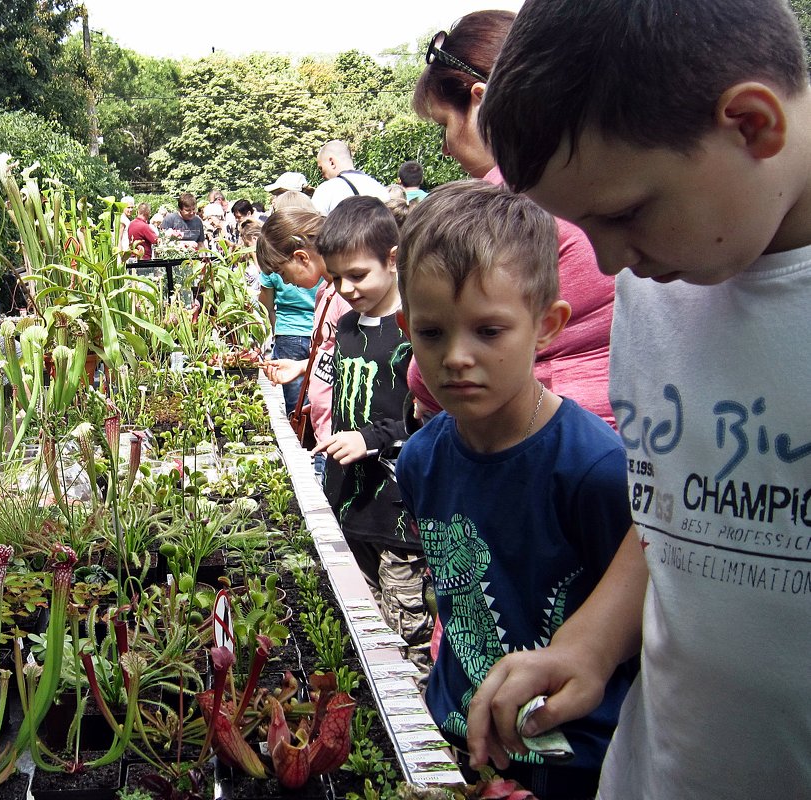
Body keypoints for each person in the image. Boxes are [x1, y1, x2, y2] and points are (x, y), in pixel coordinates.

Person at [463, 1, 811, 797]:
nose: (613, 259)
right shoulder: (664, 282)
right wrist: (588, 643)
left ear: (752, 125)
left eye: (624, 214)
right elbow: (681, 509)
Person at [396, 181, 635, 798]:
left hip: (576, 758)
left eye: (488, 331)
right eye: (432, 333)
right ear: (405, 327)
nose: (456, 357)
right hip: (461, 734)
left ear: (547, 326)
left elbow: (632, 617)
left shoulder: (594, 468)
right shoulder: (421, 459)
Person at [413, 10, 616, 428]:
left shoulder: (512, 200)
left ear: (483, 100)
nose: (447, 148)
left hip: (534, 439)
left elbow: (424, 377)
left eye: (443, 126)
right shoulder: (602, 172)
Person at [314, 195, 430, 665]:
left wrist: (372, 439)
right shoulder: (345, 324)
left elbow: (429, 414)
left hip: (399, 509)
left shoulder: (417, 327)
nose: (345, 288)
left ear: (392, 258)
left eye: (357, 275)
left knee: (407, 630)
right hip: (350, 499)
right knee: (363, 620)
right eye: (335, 277)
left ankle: (421, 729)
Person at [257, 208, 352, 477]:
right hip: (327, 434)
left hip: (342, 439)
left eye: (282, 271)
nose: (285, 280)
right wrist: (302, 367)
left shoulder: (346, 297)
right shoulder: (325, 290)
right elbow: (332, 354)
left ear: (301, 257)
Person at [257, 247, 319, 415]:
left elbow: (266, 306)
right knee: (321, 393)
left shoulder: (272, 263)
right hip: (321, 333)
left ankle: (300, 439)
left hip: (289, 332)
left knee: (296, 404)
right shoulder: (316, 259)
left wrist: (277, 332)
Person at [310, 140, 390, 215]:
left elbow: (313, 226)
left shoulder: (326, 190)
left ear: (332, 162)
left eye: (321, 168)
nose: (322, 175)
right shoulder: (380, 189)